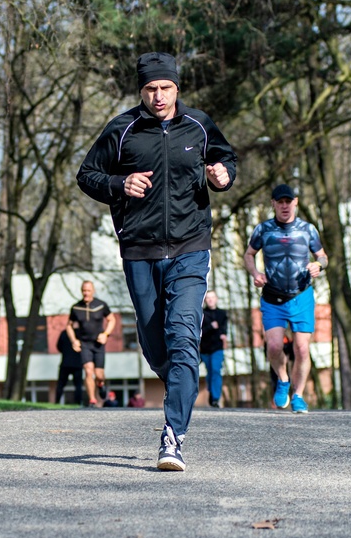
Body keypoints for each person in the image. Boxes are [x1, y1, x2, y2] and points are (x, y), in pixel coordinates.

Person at [76, 52, 237, 471]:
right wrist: (119, 183)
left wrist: (223, 176)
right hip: (141, 251)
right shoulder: (122, 128)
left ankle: (173, 437)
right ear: (141, 91)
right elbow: (87, 175)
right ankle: (177, 380)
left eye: (165, 87)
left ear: (177, 88)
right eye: (151, 89)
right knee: (154, 343)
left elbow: (226, 159)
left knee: (183, 336)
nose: (159, 95)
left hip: (190, 247)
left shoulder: (199, 125)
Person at [244, 184, 327, 414]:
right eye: (279, 202)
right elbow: (249, 254)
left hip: (301, 296)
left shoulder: (307, 229)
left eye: (288, 201)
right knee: (273, 346)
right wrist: (255, 274)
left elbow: (322, 256)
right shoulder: (263, 230)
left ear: (296, 202)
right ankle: (283, 379)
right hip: (273, 297)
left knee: (302, 349)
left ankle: (298, 395)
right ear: (273, 203)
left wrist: (318, 265)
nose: (284, 206)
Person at [66, 281, 116, 408]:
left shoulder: (101, 305)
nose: (85, 293)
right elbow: (69, 326)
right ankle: (92, 400)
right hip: (85, 344)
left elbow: (112, 319)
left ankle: (100, 384)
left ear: (93, 291)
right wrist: (74, 340)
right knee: (88, 371)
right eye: (84, 290)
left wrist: (105, 334)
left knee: (99, 374)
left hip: (98, 344)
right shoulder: (76, 308)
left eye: (88, 290)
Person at [200, 290, 228, 408]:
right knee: (210, 372)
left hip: (217, 348)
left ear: (216, 299)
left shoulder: (222, 313)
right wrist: (211, 326)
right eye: (208, 298)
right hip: (205, 348)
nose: (210, 300)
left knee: (216, 370)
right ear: (205, 300)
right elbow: (199, 331)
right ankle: (212, 391)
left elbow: (224, 328)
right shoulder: (202, 314)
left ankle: (216, 398)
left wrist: (223, 334)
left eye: (212, 297)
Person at [55, 329, 83, 405]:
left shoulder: (64, 333)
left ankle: (57, 402)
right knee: (78, 385)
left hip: (65, 362)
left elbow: (58, 346)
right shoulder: (81, 333)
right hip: (77, 363)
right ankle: (78, 403)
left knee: (61, 384)